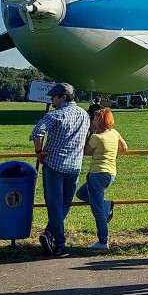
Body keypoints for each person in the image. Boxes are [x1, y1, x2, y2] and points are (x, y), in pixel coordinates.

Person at [30, 82, 89, 258]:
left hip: (54, 164)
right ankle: (49, 234)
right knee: (65, 203)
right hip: (74, 165)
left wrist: (39, 152)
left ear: (62, 97)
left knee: (54, 204)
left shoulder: (56, 115)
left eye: (54, 96)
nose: (52, 99)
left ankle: (60, 244)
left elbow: (37, 132)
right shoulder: (84, 114)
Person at [75, 108, 127, 250]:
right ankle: (106, 204)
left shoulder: (96, 138)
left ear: (99, 121)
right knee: (81, 194)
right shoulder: (114, 133)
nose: (92, 121)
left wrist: (90, 131)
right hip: (110, 174)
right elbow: (124, 147)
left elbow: (85, 151)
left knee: (97, 210)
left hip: (97, 174)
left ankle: (103, 241)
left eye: (94, 119)